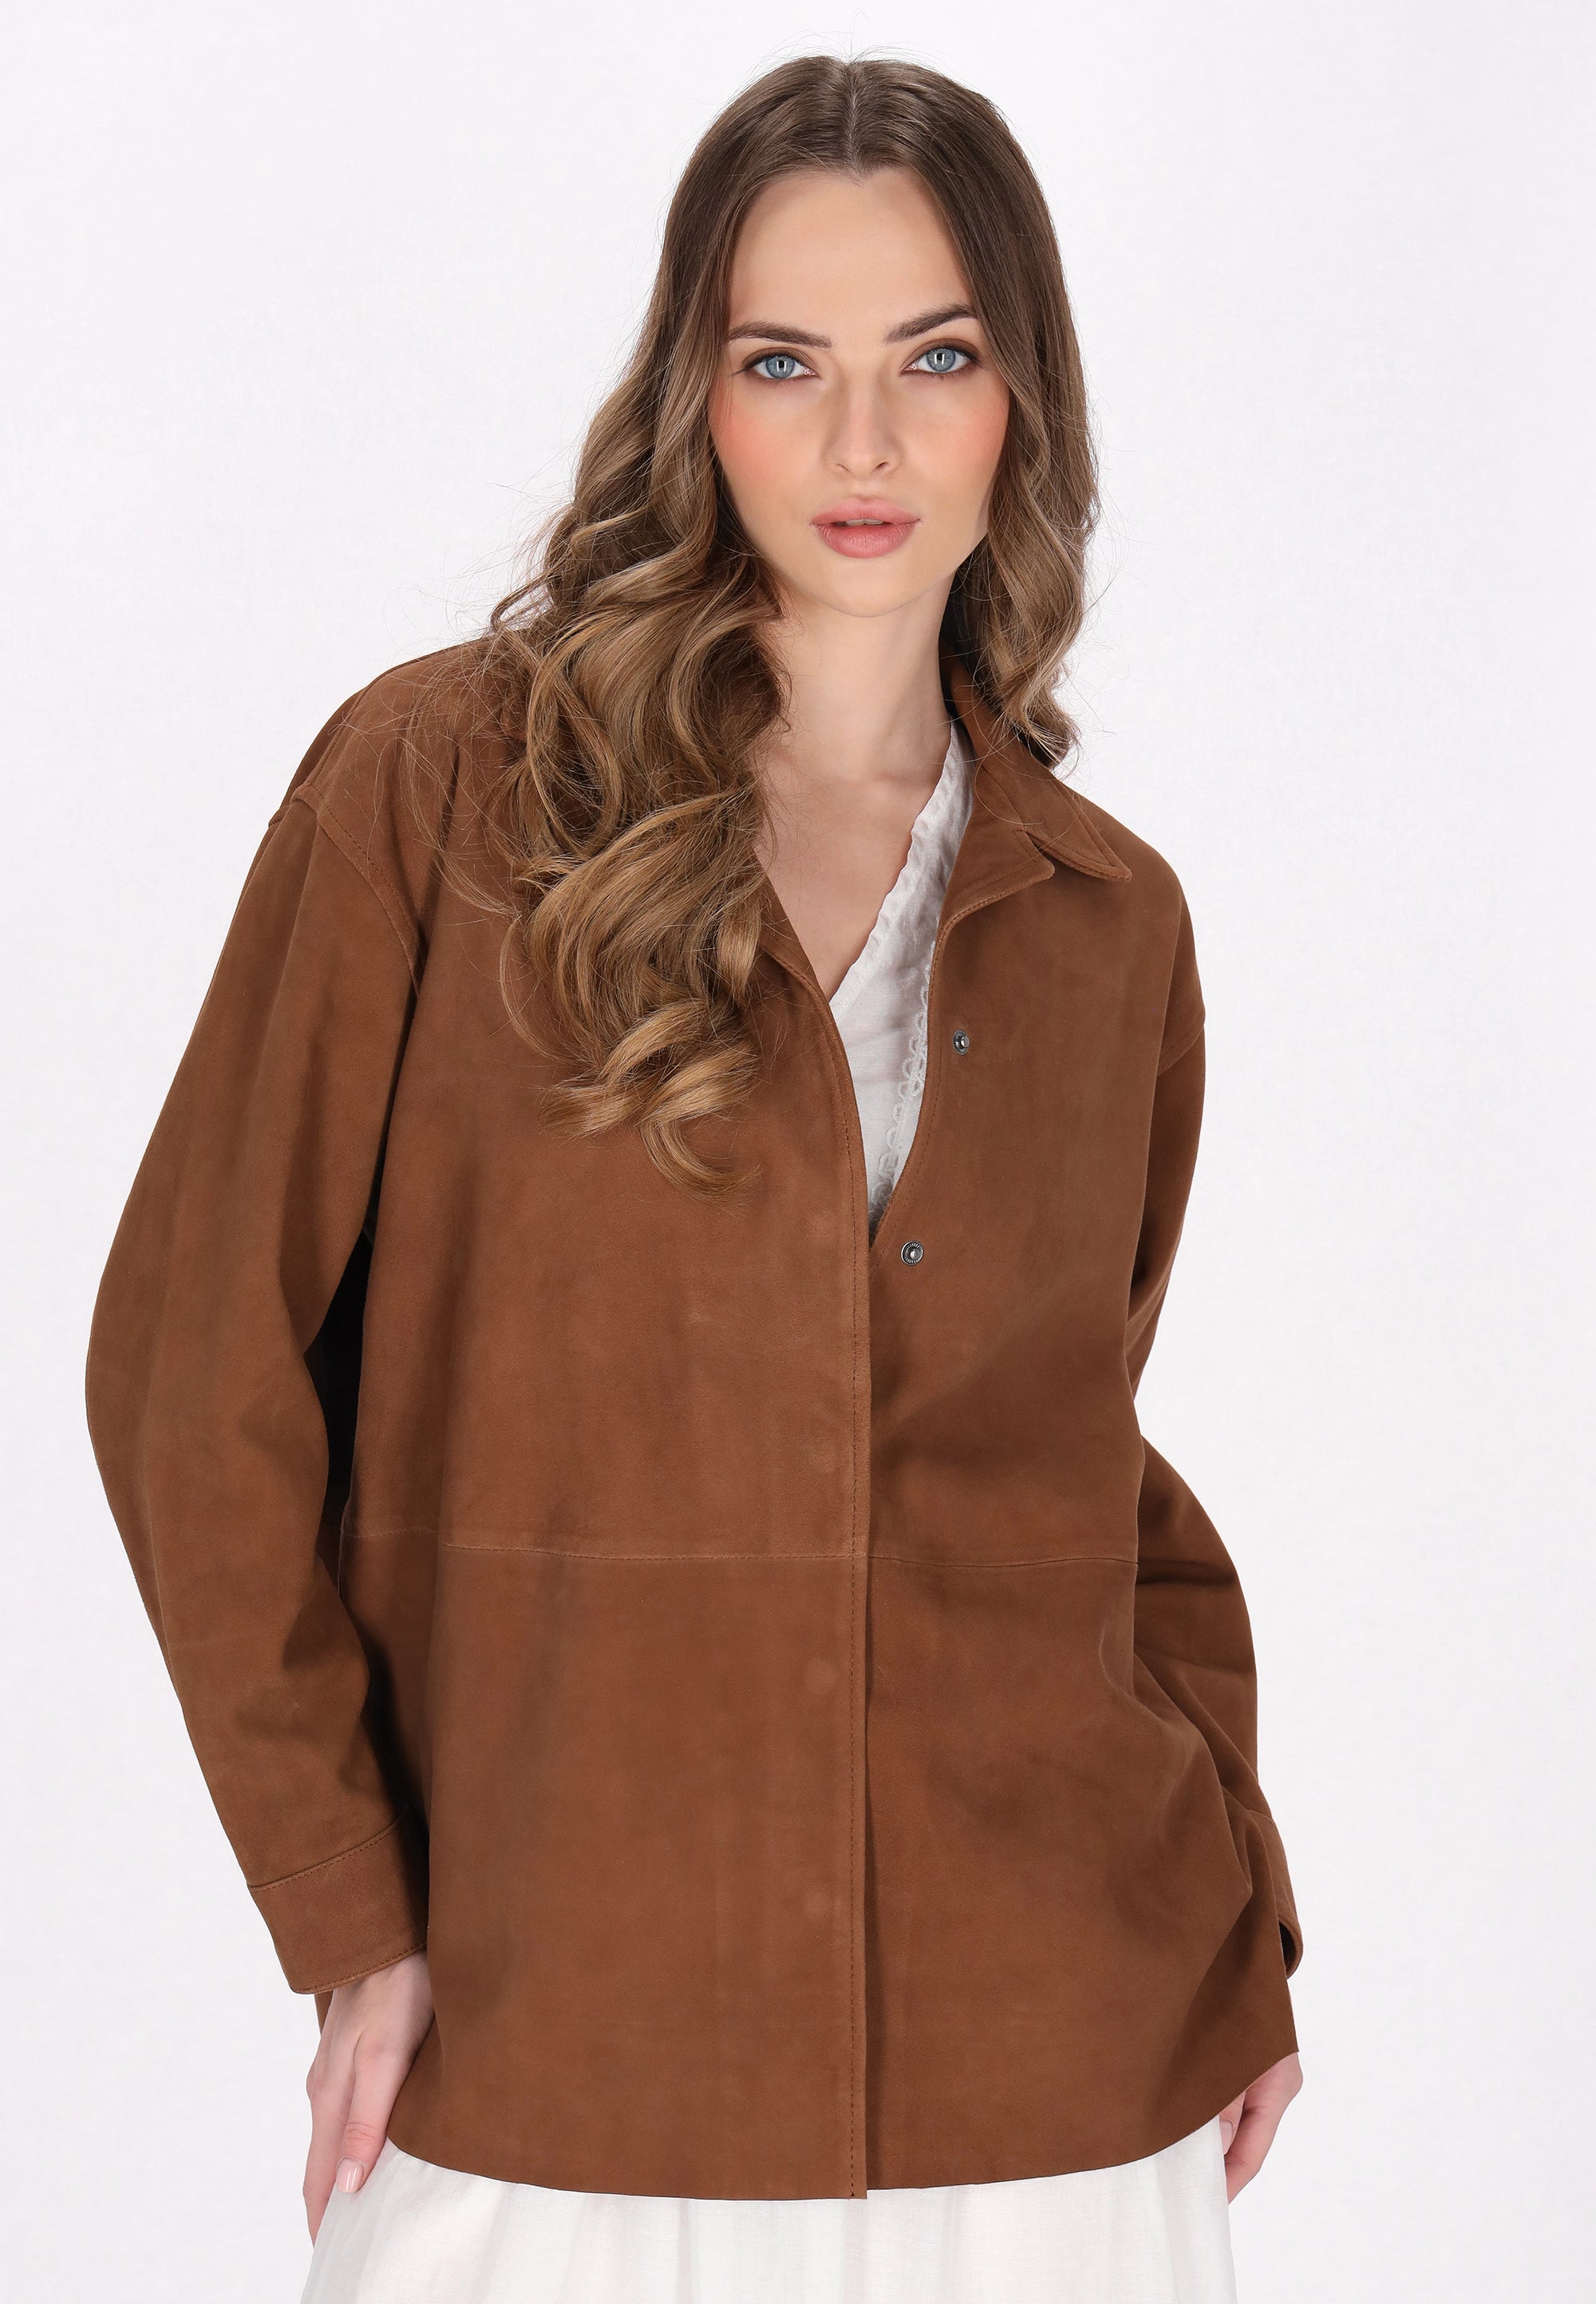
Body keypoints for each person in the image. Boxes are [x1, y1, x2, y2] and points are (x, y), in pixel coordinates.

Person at [84, 52, 1304, 2304]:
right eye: (785, 362)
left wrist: (1240, 1927)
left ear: (1022, 402)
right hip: (556, 2049)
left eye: (936, 357)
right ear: (696, 398)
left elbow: (1078, 1464)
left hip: (1058, 2062)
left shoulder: (1109, 917)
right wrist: (348, 1909)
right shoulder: (439, 795)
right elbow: (190, 1380)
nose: (865, 445)